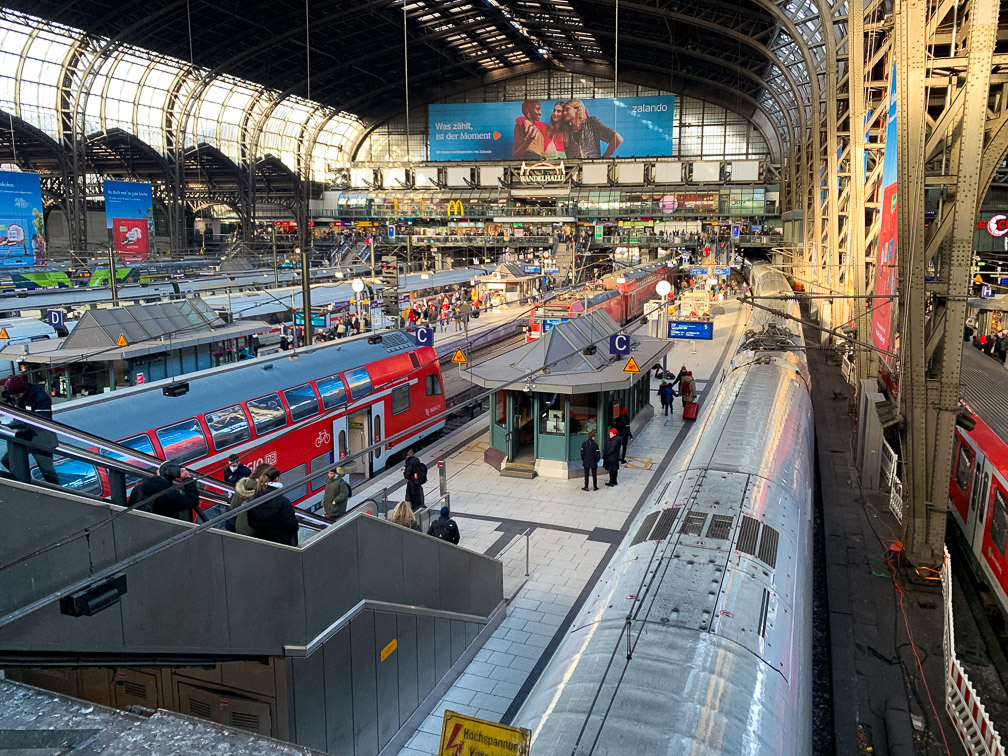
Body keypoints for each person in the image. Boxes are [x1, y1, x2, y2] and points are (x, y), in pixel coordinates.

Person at [1, 374, 59, 484]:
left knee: (47, 471)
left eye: (18, 395)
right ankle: (26, 482)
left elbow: (41, 421)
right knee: (7, 460)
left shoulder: (40, 398)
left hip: (42, 438)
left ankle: (56, 492)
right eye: (13, 395)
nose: (15, 398)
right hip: (25, 436)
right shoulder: (18, 397)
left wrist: (12, 425)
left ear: (24, 391)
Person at [128, 461, 200, 521]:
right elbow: (192, 500)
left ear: (158, 473)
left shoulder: (138, 489)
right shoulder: (171, 495)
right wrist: (187, 479)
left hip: (137, 526)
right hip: (161, 530)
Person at [246, 465, 299, 546]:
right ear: (277, 479)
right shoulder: (283, 502)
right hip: (282, 542)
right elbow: (292, 526)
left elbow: (251, 524)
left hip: (263, 541)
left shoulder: (253, 500)